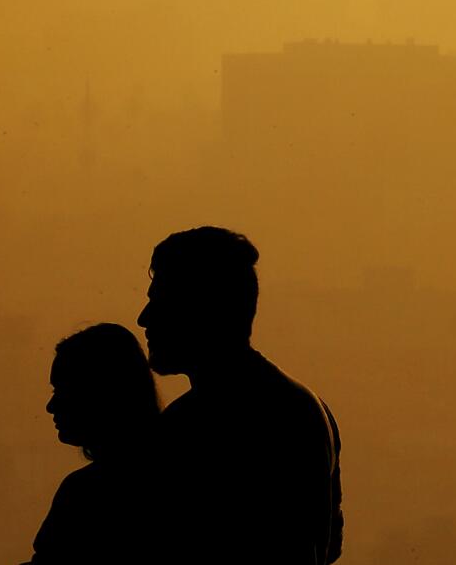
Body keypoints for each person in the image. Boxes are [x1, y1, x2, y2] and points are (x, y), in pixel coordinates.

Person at [138, 227, 342, 563]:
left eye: (159, 302)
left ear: (201, 312)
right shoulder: (308, 408)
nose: (144, 318)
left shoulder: (190, 428)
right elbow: (327, 545)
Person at [24, 322, 162, 563]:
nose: (51, 406)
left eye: (62, 391)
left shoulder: (84, 493)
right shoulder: (167, 470)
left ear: (98, 394)